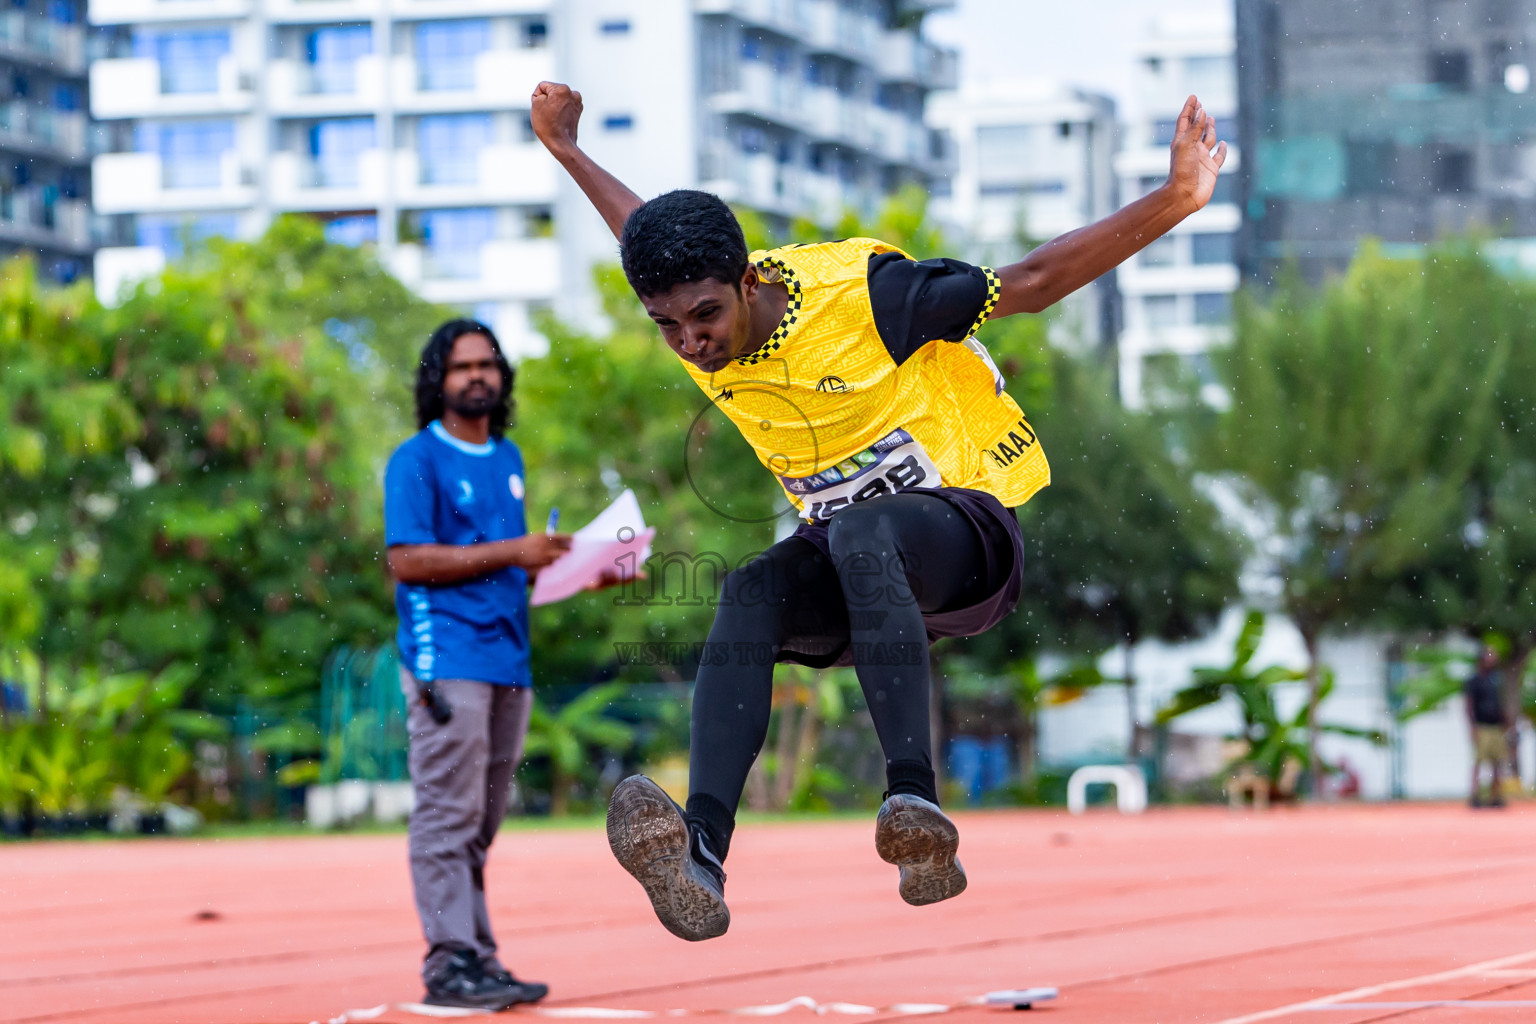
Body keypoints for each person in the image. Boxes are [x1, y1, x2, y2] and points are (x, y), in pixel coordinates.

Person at [530, 79, 1227, 942]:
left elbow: (1037, 283)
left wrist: (1177, 197)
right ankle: (700, 853)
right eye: (667, 326)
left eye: (705, 316)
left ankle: (915, 807)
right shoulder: (692, 311)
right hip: (865, 576)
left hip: (969, 535)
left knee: (858, 529)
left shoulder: (872, 297)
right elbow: (644, 230)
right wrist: (568, 152)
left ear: (749, 281)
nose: (693, 344)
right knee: (749, 591)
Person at [384, 320, 572, 1009]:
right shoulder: (417, 459)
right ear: (438, 379)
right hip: (446, 658)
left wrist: (579, 571)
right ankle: (448, 961)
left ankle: (478, 956)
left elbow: (510, 565)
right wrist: (515, 552)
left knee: (482, 821)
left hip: (507, 659)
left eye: (488, 365)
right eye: (462, 366)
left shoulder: (509, 456)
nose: (477, 376)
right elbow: (407, 560)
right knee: (446, 814)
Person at [1464, 647, 1510, 809]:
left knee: (1497, 762)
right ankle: (1475, 795)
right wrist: (1473, 726)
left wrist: (1506, 723)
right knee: (1479, 761)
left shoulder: (1496, 680)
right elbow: (1469, 705)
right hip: (1482, 726)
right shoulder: (1474, 681)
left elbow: (1501, 703)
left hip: (1496, 726)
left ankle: (1496, 796)